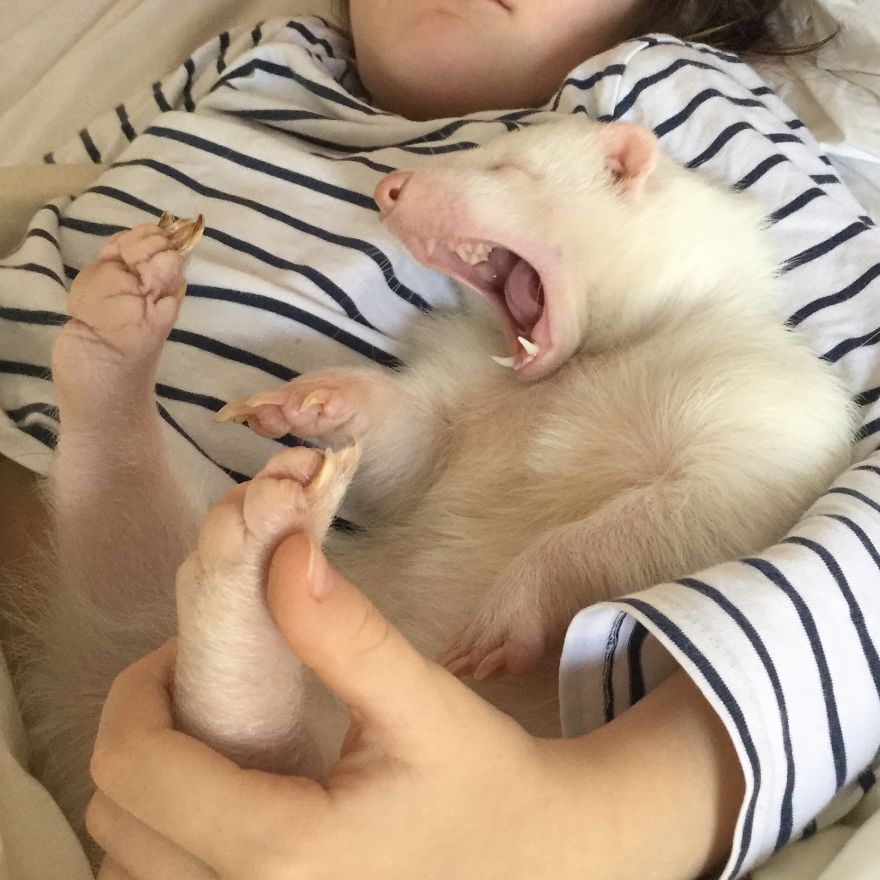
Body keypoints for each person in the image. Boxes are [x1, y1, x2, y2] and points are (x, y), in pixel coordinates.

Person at [1, 2, 878, 878]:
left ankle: (250, 708)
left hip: (427, 761)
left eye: (501, 168)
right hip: (129, 664)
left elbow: (760, 483)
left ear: (625, 166)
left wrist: (561, 581)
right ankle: (121, 439)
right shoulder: (254, 59)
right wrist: (370, 416)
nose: (400, 189)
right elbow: (428, 454)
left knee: (282, 705)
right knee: (139, 622)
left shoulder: (667, 101)